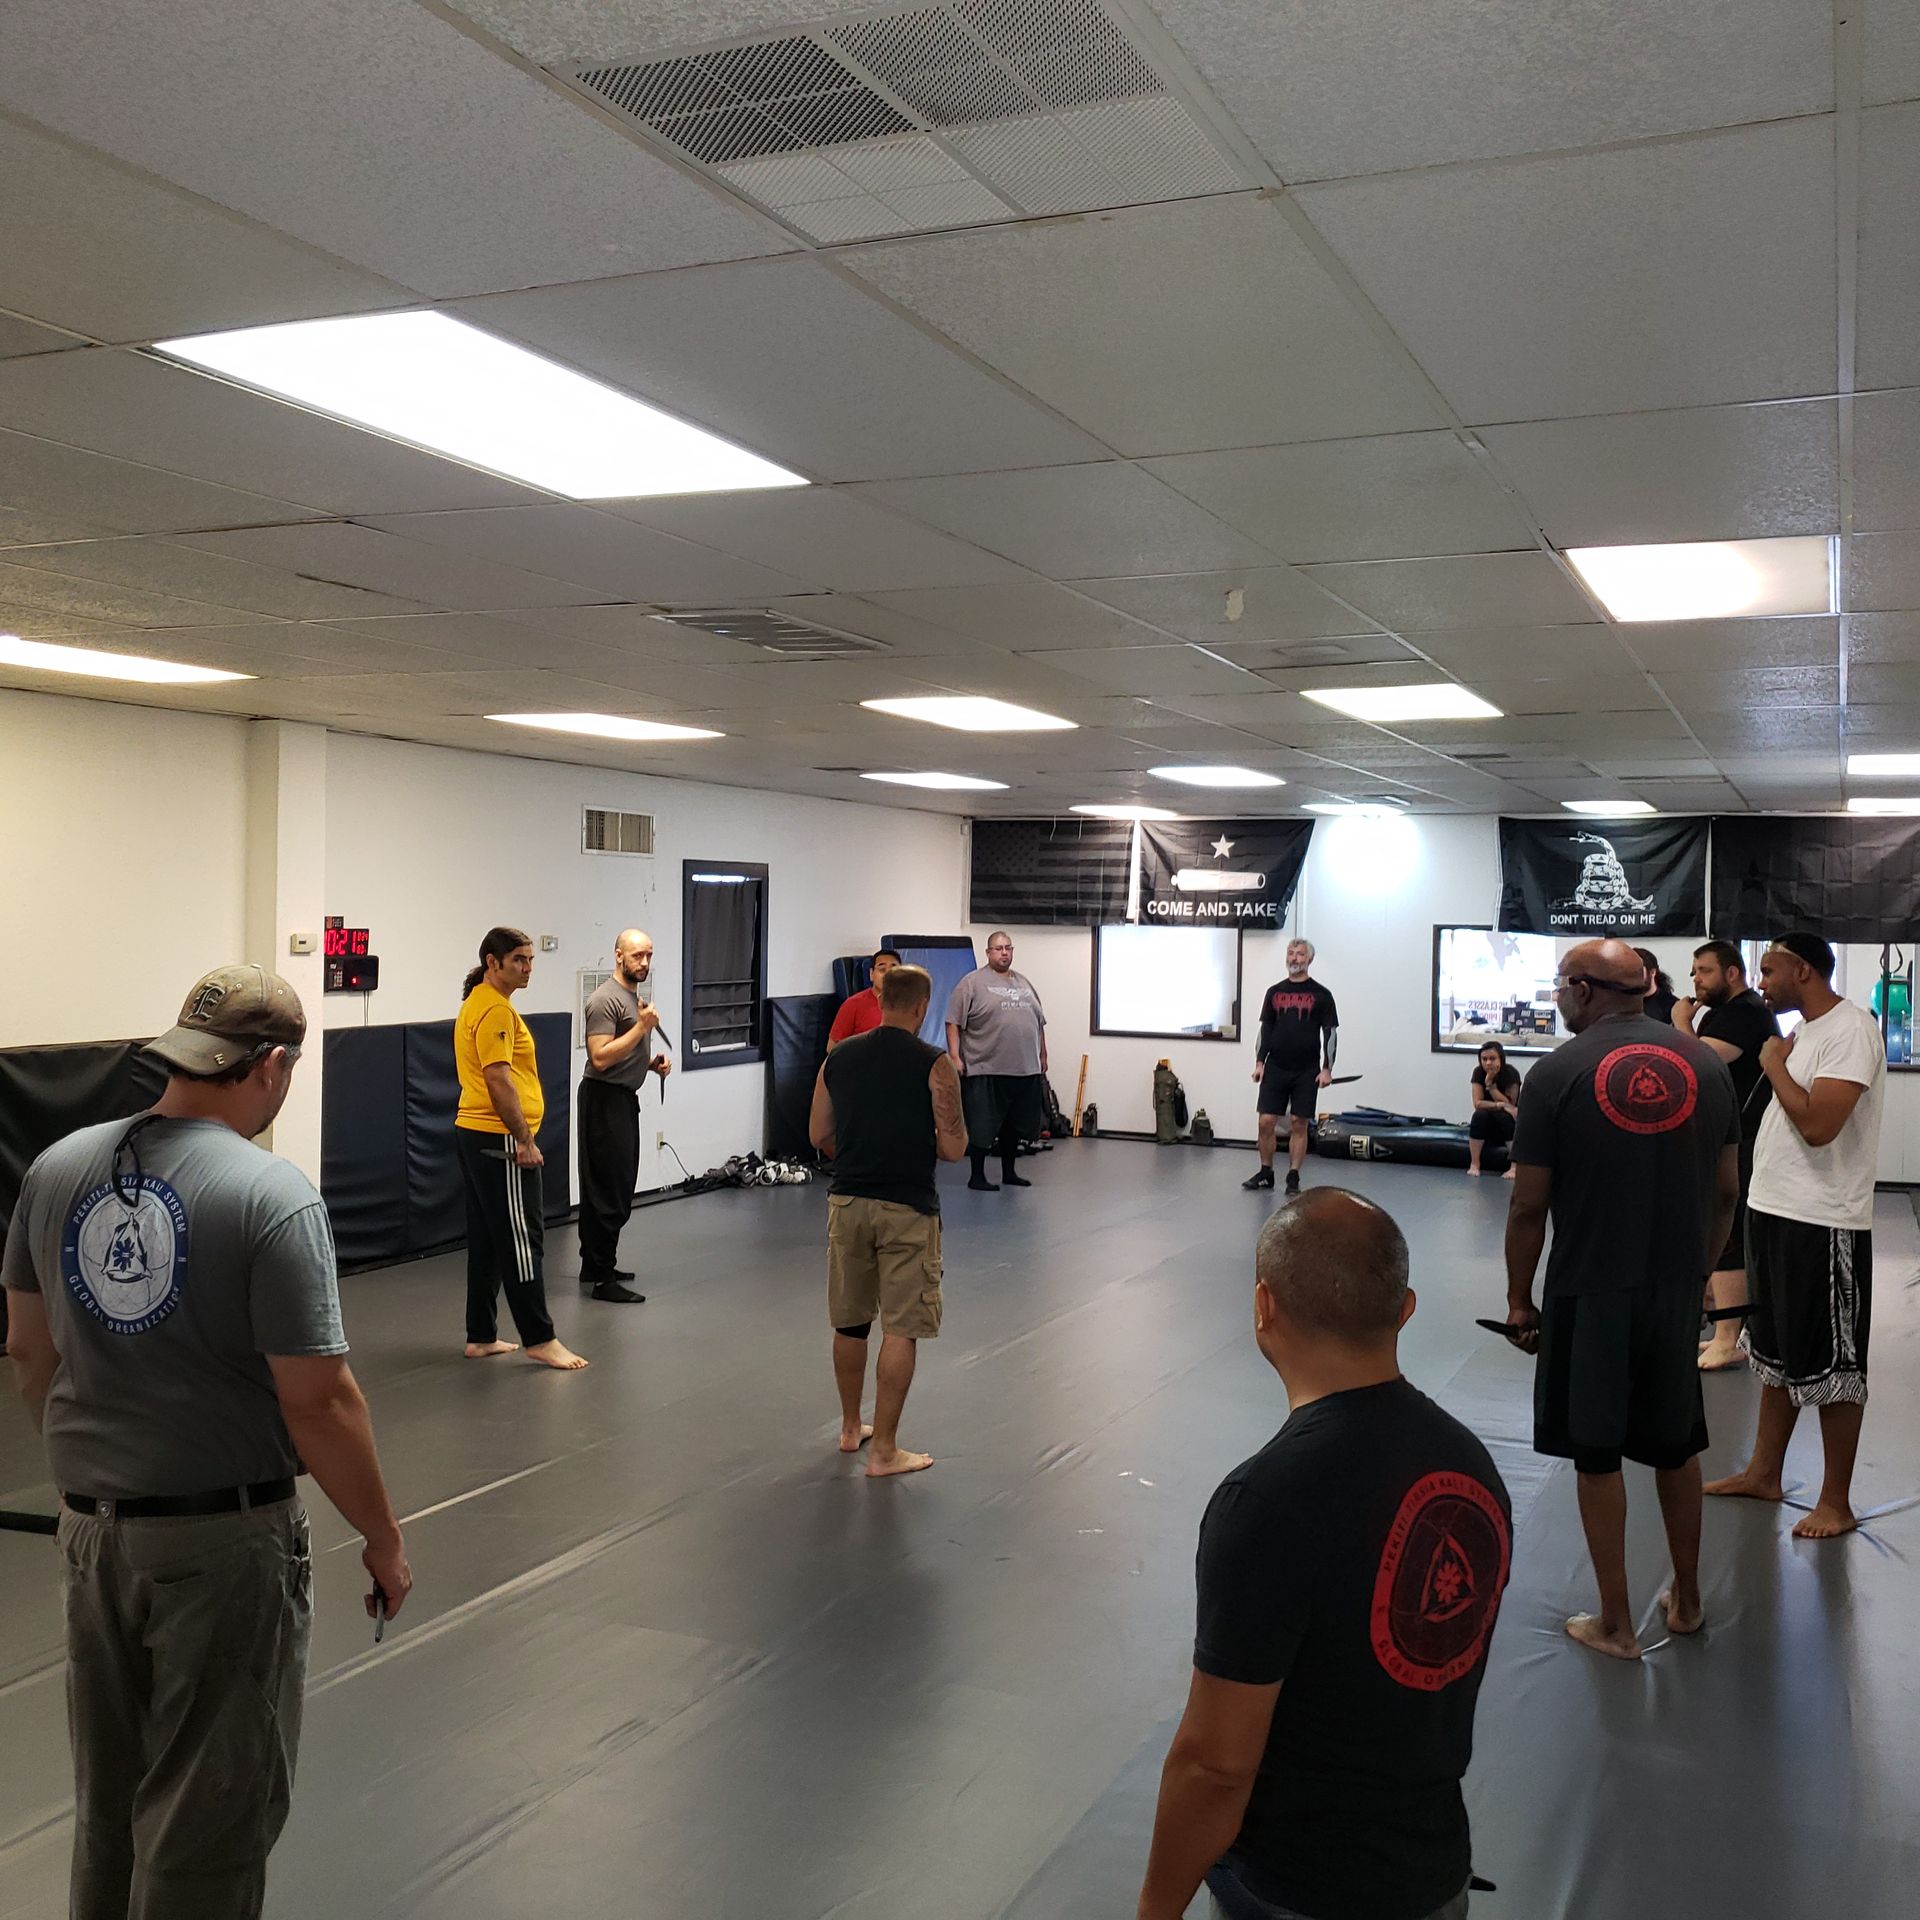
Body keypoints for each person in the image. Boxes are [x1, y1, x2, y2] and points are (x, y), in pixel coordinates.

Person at [2, 965, 412, 1920]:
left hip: (94, 1534)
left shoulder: (56, 1168)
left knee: (110, 1802)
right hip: (222, 1545)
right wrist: (383, 1538)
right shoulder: (273, 1196)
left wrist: (82, 1478)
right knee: (209, 1812)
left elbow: (28, 1349)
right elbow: (320, 1402)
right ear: (271, 1065)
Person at [1136, 1191, 1510, 1920]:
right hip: (1433, 1875)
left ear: (1262, 1308)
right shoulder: (1471, 1466)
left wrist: (1155, 1910)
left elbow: (1216, 1766)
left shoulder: (1268, 1502)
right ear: (1405, 1309)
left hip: (1299, 1890)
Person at [1503, 938, 1737, 1659]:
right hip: (1672, 1289)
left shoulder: (1554, 1074)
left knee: (1597, 1455)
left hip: (1589, 1289)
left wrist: (1519, 1300)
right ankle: (1689, 1601)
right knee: (1676, 1446)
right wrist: (1697, 1275)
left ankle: (1614, 1623)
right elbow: (1727, 1190)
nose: (1555, 999)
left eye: (1558, 988)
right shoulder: (1704, 1064)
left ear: (1583, 989)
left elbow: (1527, 1208)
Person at [1707, 933, 1886, 1539]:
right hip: (1775, 1211)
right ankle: (1764, 1472)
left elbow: (1818, 1126)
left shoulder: (1850, 1029)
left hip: (1823, 1220)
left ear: (1802, 969)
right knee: (1774, 1353)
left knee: (1835, 1363)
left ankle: (1836, 1500)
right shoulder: (1803, 1030)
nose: (1760, 980)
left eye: (1769, 968)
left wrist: (1774, 1067)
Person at [809, 965, 968, 1478]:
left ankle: (852, 1428)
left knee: (850, 1322)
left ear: (881, 1001)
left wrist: (860, 1151)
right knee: (902, 1327)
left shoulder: (839, 1058)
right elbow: (953, 1147)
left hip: (847, 1202)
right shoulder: (935, 1064)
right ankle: (885, 1452)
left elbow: (817, 1133)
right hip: (908, 1208)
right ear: (922, 1007)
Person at [454, 926, 586, 1370]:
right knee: (523, 1239)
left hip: (476, 1134)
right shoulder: (493, 1010)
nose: (528, 968)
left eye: (530, 960)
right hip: (499, 1138)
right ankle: (540, 1337)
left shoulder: (481, 1003)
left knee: (489, 1239)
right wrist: (525, 1141)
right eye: (518, 960)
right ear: (493, 962)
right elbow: (497, 1078)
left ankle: (481, 1335)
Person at [1671, 939, 1778, 1370]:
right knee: (1716, 1228)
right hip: (1722, 1135)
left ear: (1732, 973)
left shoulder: (1746, 1013)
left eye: (1704, 970)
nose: (1695, 979)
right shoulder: (1720, 1013)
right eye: (1694, 970)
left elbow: (1698, 1061)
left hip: (1745, 1138)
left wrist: (1680, 1021)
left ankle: (1729, 1337)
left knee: (1729, 1232)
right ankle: (1724, 1327)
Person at [577, 927, 671, 1305]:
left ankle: (593, 1265)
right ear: (618, 956)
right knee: (609, 1187)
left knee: (613, 1183)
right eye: (637, 956)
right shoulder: (605, 1000)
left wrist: (649, 1063)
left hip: (620, 1096)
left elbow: (621, 1053)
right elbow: (599, 1056)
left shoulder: (633, 997)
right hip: (603, 1100)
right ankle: (602, 1278)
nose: (644, 962)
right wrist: (643, 1029)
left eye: (648, 955)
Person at [945, 931, 1048, 1193]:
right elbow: (953, 1021)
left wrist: (1042, 1055)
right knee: (982, 1124)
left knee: (1014, 1126)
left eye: (1008, 948)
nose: (1004, 953)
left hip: (1023, 1068)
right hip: (985, 1066)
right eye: (998, 948)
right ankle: (977, 1176)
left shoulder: (1024, 983)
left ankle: (1009, 1172)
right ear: (988, 952)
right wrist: (955, 1056)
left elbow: (1039, 1022)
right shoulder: (971, 983)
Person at [1243, 938, 1338, 1195]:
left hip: (1307, 1069)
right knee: (1266, 1121)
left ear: (1309, 960)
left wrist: (1327, 1069)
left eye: (1300, 954)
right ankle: (1266, 1172)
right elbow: (1266, 1030)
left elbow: (1330, 1034)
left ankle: (1293, 1175)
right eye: (1291, 953)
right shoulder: (1274, 992)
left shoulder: (1322, 994)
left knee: (1299, 1122)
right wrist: (1259, 1063)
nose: (1294, 958)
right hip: (1276, 1067)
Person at [827, 949, 901, 1051]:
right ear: (871, 974)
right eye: (882, 969)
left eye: (894, 970)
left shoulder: (907, 1004)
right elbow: (832, 1048)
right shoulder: (853, 1004)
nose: (888, 974)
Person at [1467, 1040, 1521, 1177]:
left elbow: (1510, 1104)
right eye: (1484, 1059)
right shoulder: (1478, 1072)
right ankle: (1474, 1163)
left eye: (1492, 1059)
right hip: (1487, 1122)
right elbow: (1478, 1103)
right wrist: (1498, 1105)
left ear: (1500, 1059)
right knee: (1479, 1115)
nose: (1488, 1063)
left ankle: (1514, 1166)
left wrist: (1490, 1085)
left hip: (1506, 1122)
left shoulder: (1510, 1073)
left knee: (1503, 1116)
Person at [1634, 946, 1678, 1026]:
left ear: (1652, 972)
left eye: (1637, 971)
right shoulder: (1621, 1002)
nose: (1632, 977)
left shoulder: (1673, 1006)